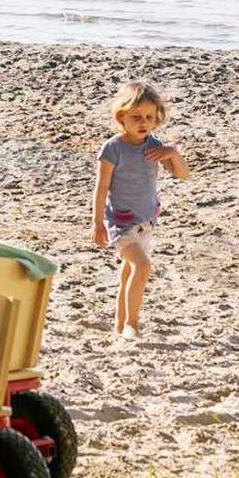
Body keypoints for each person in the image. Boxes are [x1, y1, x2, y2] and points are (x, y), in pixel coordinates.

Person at [90, 82, 190, 342]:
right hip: (119, 223)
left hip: (146, 221)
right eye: (136, 117)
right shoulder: (112, 148)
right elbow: (101, 187)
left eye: (149, 117)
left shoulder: (154, 146)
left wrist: (172, 153)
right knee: (142, 266)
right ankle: (132, 325)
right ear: (121, 116)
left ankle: (119, 324)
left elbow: (183, 174)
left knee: (129, 272)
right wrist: (97, 223)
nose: (143, 122)